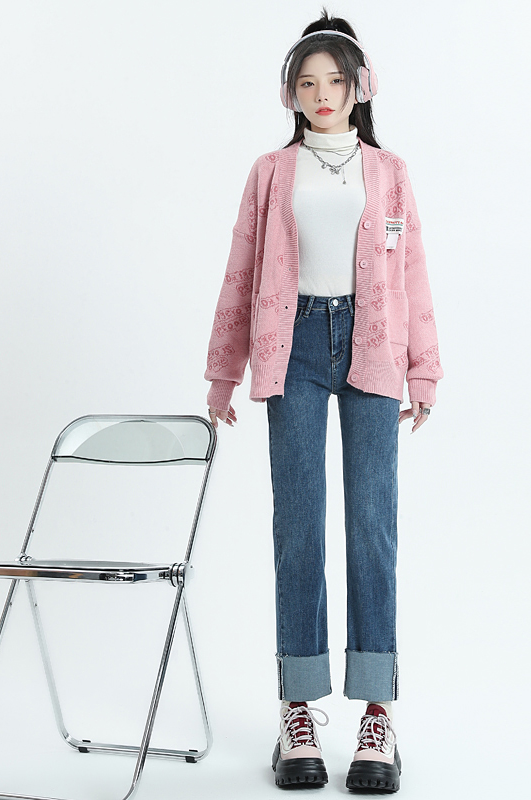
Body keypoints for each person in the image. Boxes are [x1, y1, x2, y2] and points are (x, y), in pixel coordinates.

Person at [203, 8, 442, 793]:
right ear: (289, 94)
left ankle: (378, 716)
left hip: (373, 345)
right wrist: (223, 374)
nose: (321, 94)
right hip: (295, 347)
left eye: (335, 80)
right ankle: (297, 711)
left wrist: (423, 372)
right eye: (306, 83)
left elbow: (411, 273)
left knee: (372, 525)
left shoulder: (390, 170)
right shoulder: (271, 172)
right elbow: (242, 270)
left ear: (361, 86)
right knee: (298, 526)